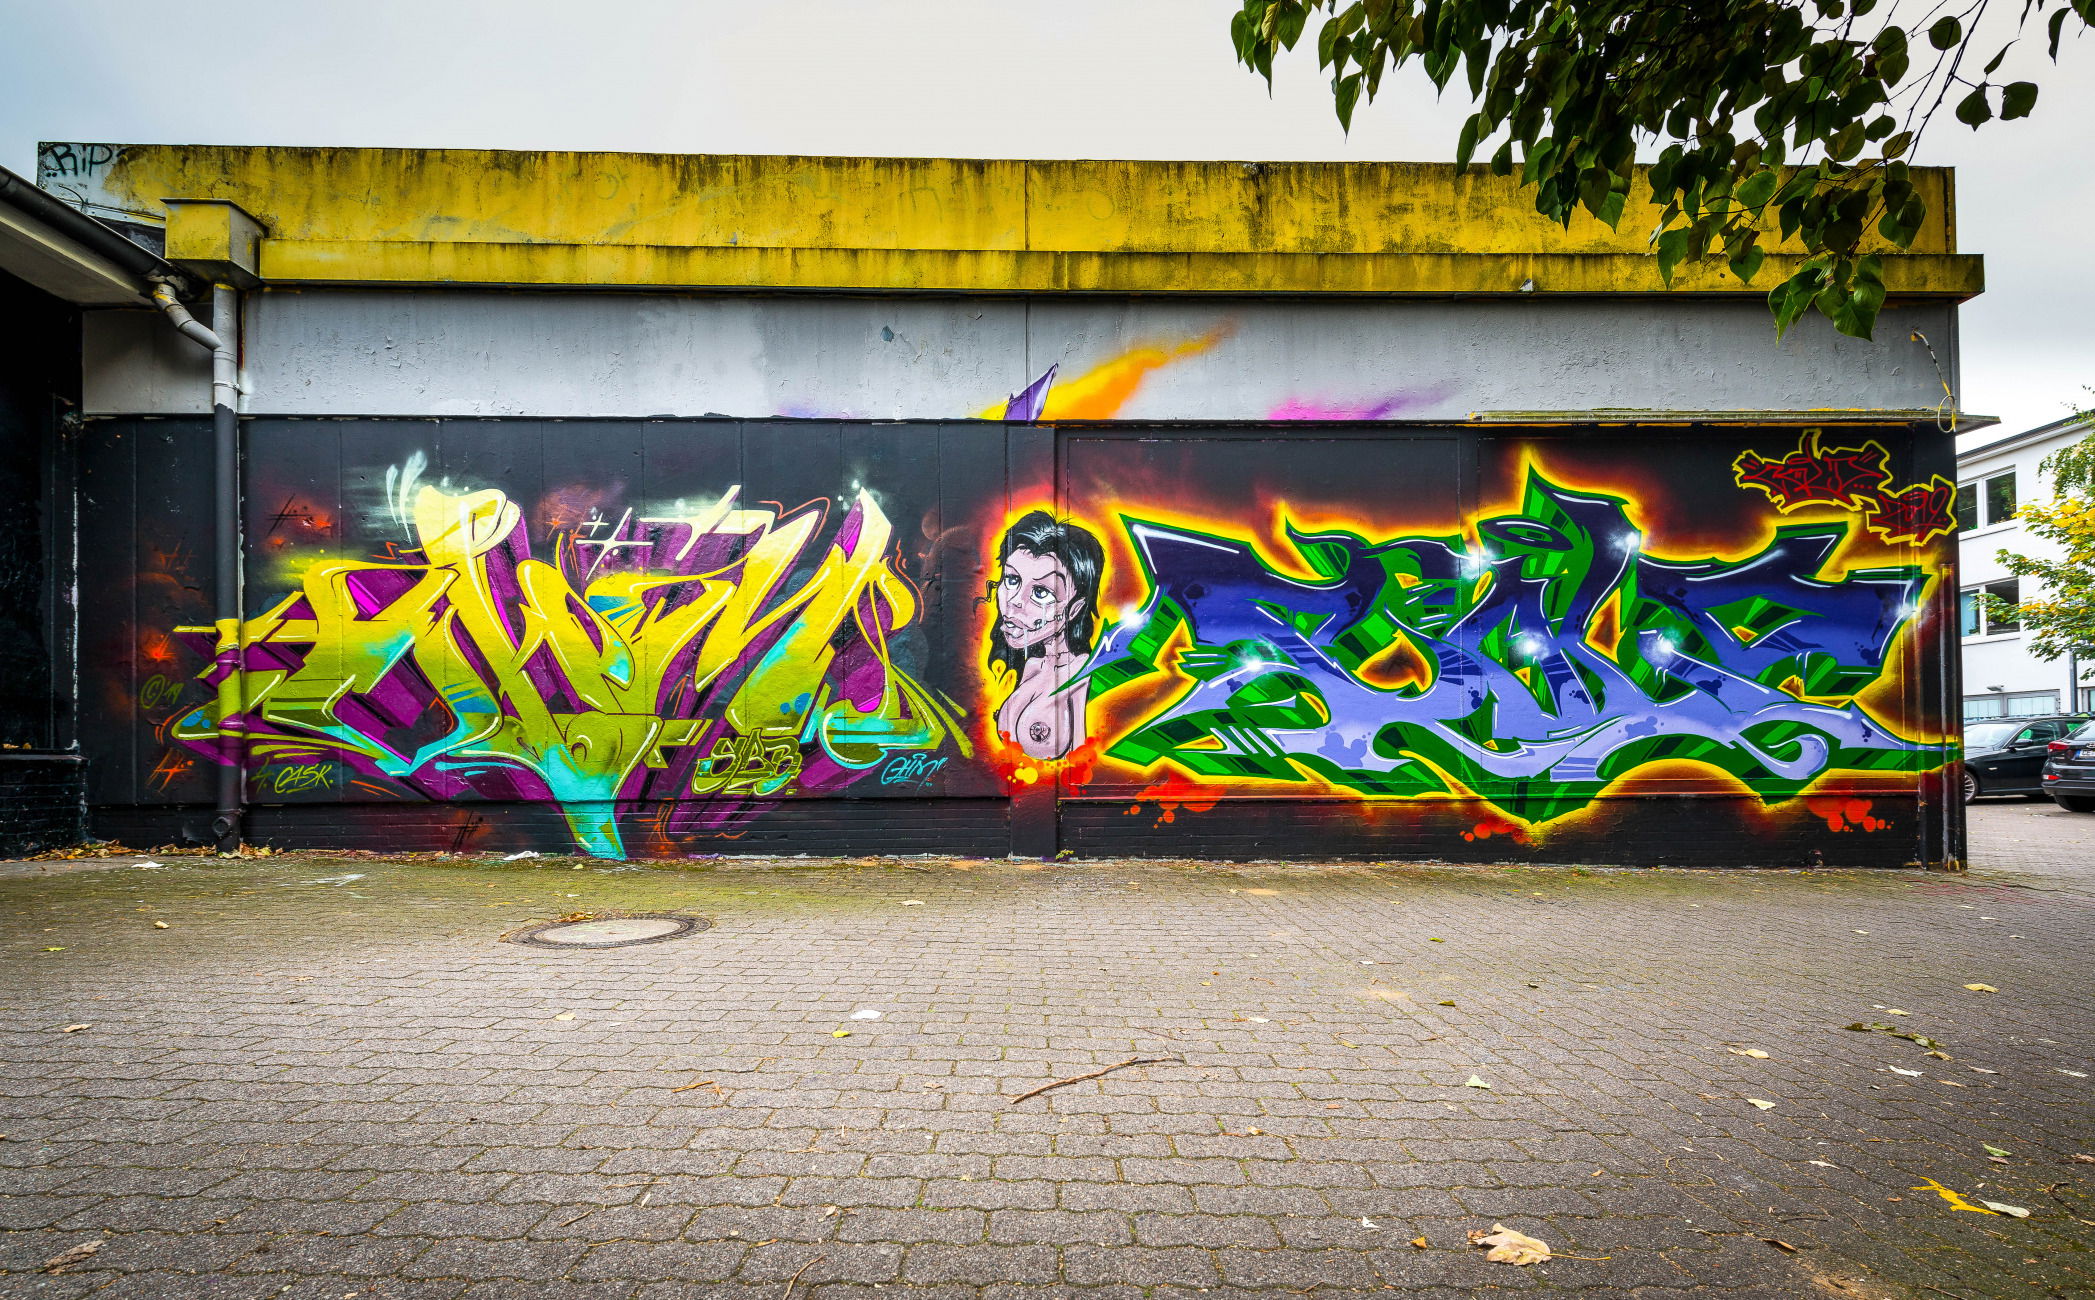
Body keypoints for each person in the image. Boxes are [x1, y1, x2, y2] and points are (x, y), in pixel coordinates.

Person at [986, 511, 1103, 760]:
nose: (1015, 601)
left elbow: (1083, 767)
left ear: (1074, 609)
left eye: (1041, 592)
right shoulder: (1030, 665)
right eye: (1012, 579)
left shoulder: (1081, 675)